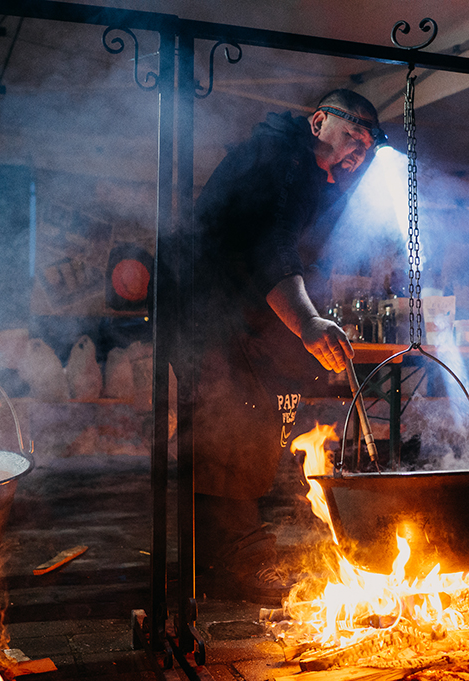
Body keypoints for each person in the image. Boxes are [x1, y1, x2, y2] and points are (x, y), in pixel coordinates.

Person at [187, 89, 384, 603]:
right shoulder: (282, 160)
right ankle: (237, 555)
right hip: (211, 313)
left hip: (242, 319)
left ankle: (213, 552)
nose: (359, 151)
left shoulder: (310, 174)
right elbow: (268, 248)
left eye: (367, 146)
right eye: (352, 135)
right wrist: (308, 321)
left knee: (252, 430)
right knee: (229, 427)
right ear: (318, 121)